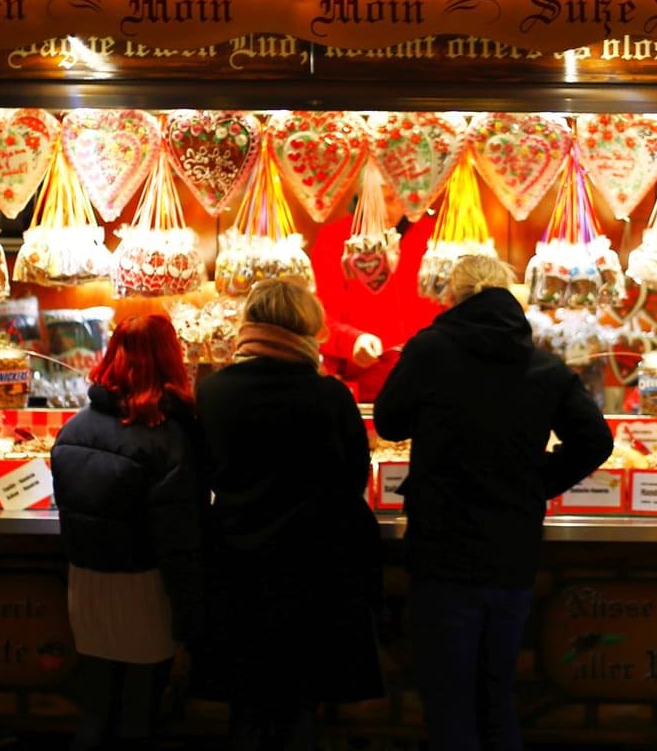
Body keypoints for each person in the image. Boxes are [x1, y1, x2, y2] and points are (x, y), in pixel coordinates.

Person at [374, 255, 613, 751]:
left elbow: (390, 423)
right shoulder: (543, 365)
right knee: (498, 695)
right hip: (511, 552)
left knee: (447, 701)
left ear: (454, 297)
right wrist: (534, 481)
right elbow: (595, 441)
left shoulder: (430, 350)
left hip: (441, 551)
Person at [193, 278, 384, 750]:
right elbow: (354, 479)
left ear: (249, 324)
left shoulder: (214, 393)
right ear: (307, 327)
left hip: (237, 566)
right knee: (299, 706)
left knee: (247, 705)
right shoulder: (331, 397)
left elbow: (202, 476)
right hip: (312, 571)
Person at [51, 313, 205, 751]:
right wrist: (191, 619)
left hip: (85, 586)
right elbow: (179, 543)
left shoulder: (73, 429)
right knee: (139, 712)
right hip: (143, 589)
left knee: (96, 705)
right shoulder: (168, 439)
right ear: (170, 360)